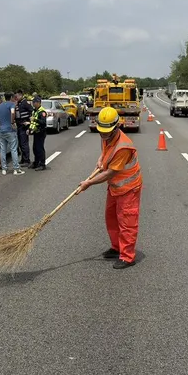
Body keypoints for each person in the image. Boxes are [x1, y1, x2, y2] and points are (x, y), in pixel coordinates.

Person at [76, 107, 142, 269]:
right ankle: (116, 247)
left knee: (127, 221)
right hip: (115, 187)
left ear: (116, 127)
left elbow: (110, 173)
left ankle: (127, 256)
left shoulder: (123, 147)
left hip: (128, 189)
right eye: (101, 131)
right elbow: (106, 152)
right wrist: (101, 159)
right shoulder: (106, 135)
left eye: (107, 132)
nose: (103, 135)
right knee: (111, 218)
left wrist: (88, 183)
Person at [0, 92, 24, 176]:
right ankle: (16, 169)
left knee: (2, 149)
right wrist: (12, 122)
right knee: (13, 149)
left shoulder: (0, 105)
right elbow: (13, 112)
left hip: (1, 130)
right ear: (11, 97)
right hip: (10, 130)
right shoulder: (11, 104)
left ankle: (4, 169)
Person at [14, 89, 33, 166]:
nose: (16, 97)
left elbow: (32, 112)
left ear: (21, 95)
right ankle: (23, 159)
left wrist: (29, 122)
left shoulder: (26, 103)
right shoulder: (18, 103)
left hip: (24, 126)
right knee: (20, 144)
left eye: (17, 96)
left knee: (24, 143)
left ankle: (26, 160)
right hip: (19, 125)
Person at [29, 95, 48, 170]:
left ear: (38, 103)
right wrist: (30, 129)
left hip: (41, 132)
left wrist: (35, 120)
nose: (33, 104)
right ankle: (36, 162)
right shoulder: (35, 110)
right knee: (35, 148)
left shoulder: (42, 112)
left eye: (34, 102)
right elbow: (33, 123)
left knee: (40, 148)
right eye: (33, 102)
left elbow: (43, 122)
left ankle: (42, 164)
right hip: (36, 132)